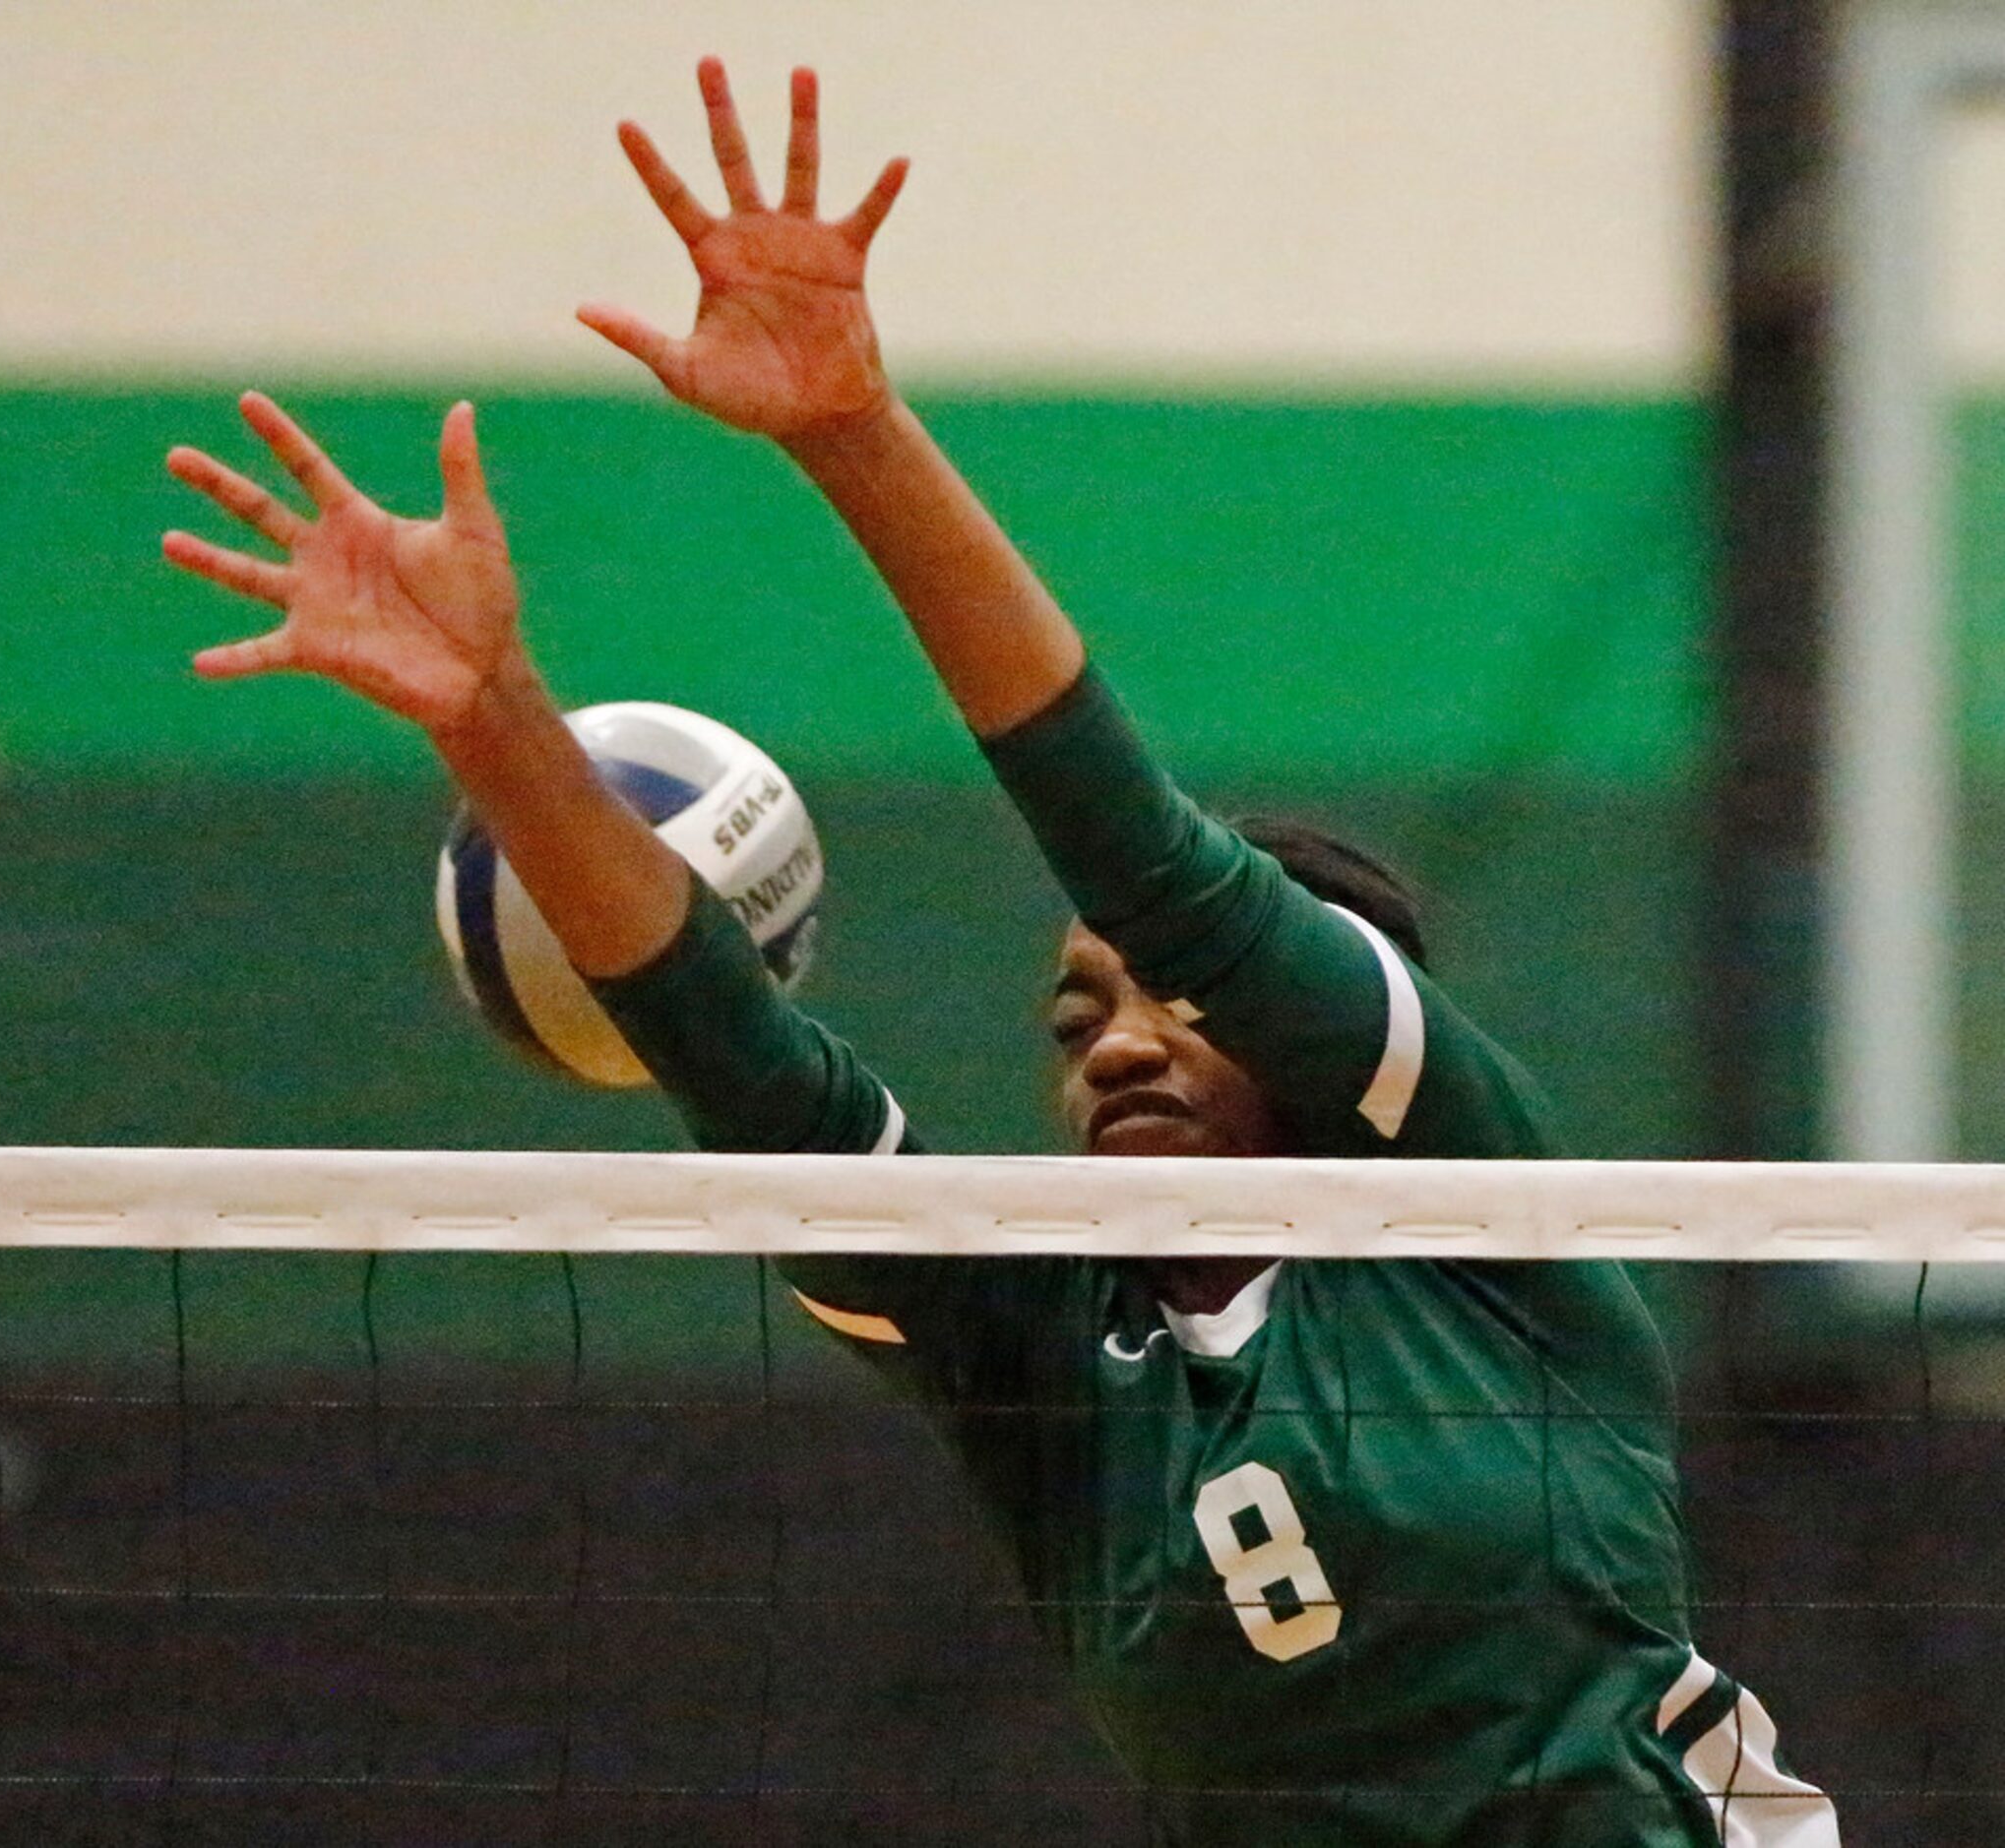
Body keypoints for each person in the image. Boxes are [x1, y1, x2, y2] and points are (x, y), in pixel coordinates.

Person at [161, 59, 1840, 1846]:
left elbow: (1144, 850)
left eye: (1175, 996)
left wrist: (849, 430)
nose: (1115, 1040)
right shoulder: (1050, 1357)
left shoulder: (1474, 1220)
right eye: (1071, 1013)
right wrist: (498, 722)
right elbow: (762, 1089)